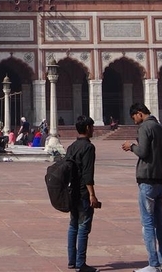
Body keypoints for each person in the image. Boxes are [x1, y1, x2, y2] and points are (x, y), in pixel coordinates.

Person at [122, 103, 162, 272]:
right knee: (161, 224)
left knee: (148, 224)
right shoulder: (161, 129)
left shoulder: (145, 128)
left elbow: (142, 152)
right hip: (160, 180)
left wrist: (131, 146)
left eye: (134, 117)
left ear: (140, 113)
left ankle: (153, 264)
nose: (134, 121)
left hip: (147, 181)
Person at [65, 115, 101, 272]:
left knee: (73, 225)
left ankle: (72, 260)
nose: (93, 130)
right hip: (83, 193)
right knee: (83, 227)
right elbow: (88, 174)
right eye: (92, 127)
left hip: (72, 191)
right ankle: (81, 263)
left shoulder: (71, 147)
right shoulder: (88, 147)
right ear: (87, 128)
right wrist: (92, 194)